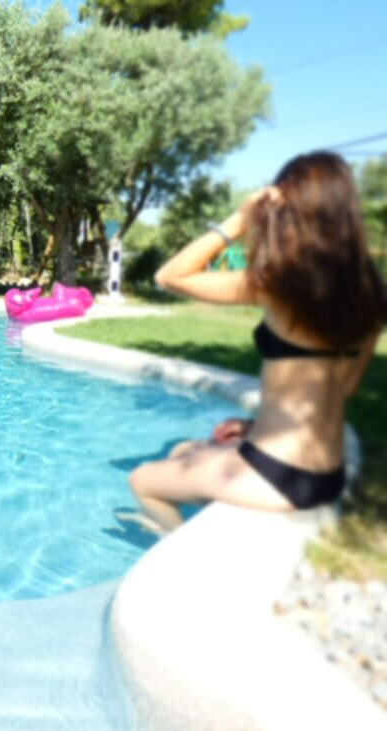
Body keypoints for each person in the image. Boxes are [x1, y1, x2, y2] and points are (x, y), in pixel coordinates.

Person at [121, 152, 385, 535]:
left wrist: (241, 218)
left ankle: (175, 546)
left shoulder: (283, 282)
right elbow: (345, 387)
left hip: (281, 474)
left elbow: (170, 276)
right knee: (184, 451)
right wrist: (254, 426)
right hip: (327, 470)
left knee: (144, 481)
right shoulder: (370, 290)